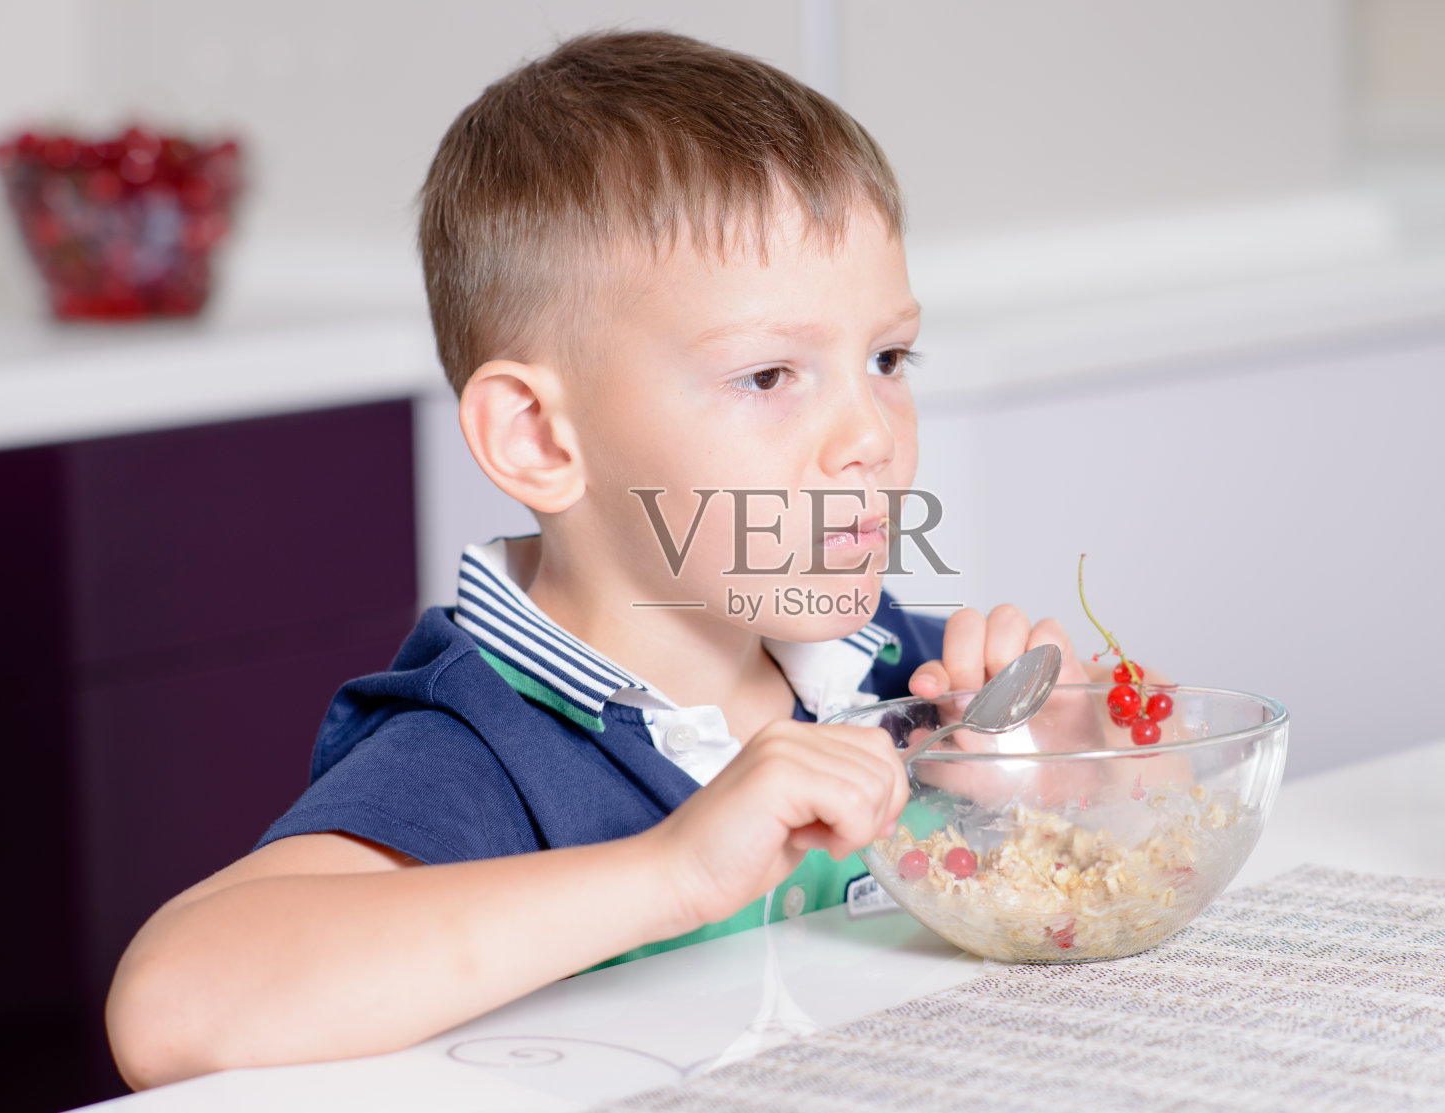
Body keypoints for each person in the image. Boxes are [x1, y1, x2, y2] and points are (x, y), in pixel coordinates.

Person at [104, 30, 1097, 1089]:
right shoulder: (483, 744)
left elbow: (1153, 810)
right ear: (538, 437)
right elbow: (173, 1006)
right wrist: (670, 872)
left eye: (887, 358)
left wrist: (1064, 763)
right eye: (767, 375)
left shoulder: (906, 674)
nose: (871, 435)